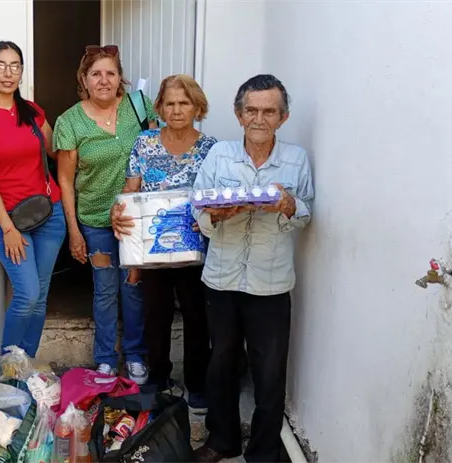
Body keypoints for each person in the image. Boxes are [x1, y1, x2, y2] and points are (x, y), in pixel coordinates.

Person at [191, 75, 314, 463]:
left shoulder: (296, 159)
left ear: (283, 116)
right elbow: (198, 208)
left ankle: (262, 453)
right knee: (221, 364)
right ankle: (222, 439)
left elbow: (308, 211)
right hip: (222, 278)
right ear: (238, 114)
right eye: (252, 110)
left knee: (270, 373)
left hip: (271, 283)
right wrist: (218, 215)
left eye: (269, 111)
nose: (259, 118)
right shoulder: (219, 155)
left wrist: (289, 205)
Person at [110, 74, 216, 413]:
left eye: (184, 102)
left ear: (197, 106)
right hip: (152, 249)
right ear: (159, 107)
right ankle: (158, 377)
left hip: (197, 251)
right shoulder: (145, 143)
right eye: (169, 103)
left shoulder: (212, 149)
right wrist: (118, 211)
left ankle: (197, 383)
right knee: (154, 315)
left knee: (197, 316)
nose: (176, 109)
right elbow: (131, 191)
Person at [54, 45, 157, 384]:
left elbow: (155, 150)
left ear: (120, 78)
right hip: (95, 219)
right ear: (84, 79)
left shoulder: (138, 106)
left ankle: (137, 356)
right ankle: (106, 360)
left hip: (135, 219)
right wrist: (74, 231)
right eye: (96, 73)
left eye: (110, 73)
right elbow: (65, 181)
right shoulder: (70, 122)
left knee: (134, 288)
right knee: (105, 289)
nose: (103, 80)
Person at [0, 41, 66, 358]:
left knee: (42, 294)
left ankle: (27, 368)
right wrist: (8, 228)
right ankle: (7, 369)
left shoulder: (33, 112)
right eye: (0, 65)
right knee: (27, 294)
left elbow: (56, 152)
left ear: (22, 71)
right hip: (11, 219)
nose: (8, 73)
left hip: (51, 213)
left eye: (15, 66)